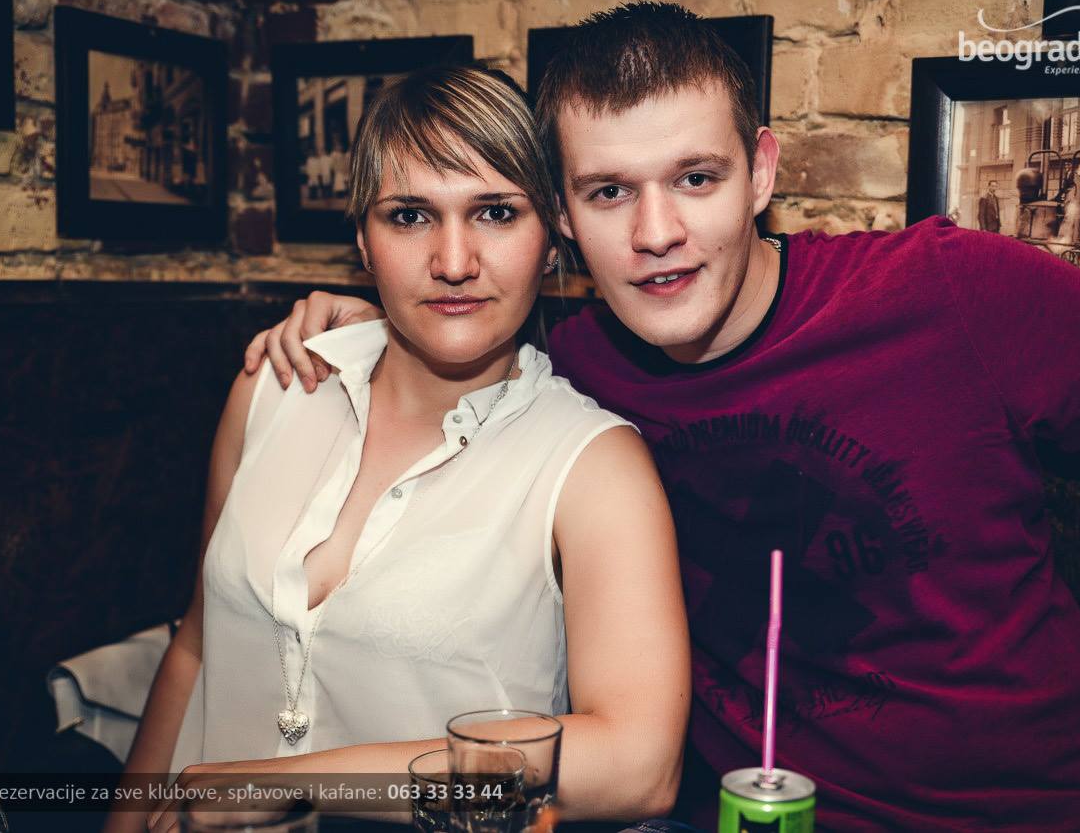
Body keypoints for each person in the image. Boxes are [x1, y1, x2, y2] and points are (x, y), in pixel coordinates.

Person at [245, 3, 1080, 831]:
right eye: (609, 192)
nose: (657, 234)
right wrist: (373, 325)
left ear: (762, 172)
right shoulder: (573, 371)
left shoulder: (948, 292)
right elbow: (456, 313)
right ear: (562, 215)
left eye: (696, 179)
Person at [110, 65, 690, 833]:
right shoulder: (275, 388)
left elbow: (637, 765)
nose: (453, 261)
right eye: (410, 216)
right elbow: (196, 646)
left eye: (495, 213)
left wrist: (296, 783)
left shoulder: (592, 465)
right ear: (363, 239)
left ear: (552, 239)